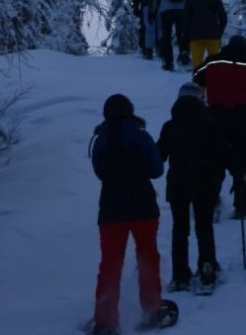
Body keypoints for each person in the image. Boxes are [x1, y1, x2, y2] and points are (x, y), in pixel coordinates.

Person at [88, 93, 177, 334]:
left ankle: (105, 320)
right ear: (130, 111)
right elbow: (157, 170)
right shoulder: (141, 137)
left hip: (111, 207)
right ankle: (151, 309)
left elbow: (99, 171)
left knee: (110, 263)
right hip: (143, 206)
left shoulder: (100, 140)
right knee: (148, 257)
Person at [157, 83, 225, 291]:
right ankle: (207, 269)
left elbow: (159, 155)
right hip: (204, 184)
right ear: (199, 100)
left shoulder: (170, 126)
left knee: (180, 229)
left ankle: (180, 276)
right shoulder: (210, 124)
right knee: (204, 227)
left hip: (177, 184)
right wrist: (217, 183)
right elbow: (220, 157)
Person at [193, 34, 246, 216]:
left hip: (215, 116)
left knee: (214, 157)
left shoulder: (212, 62)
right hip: (242, 116)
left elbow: (197, 77)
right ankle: (242, 202)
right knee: (244, 157)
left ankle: (210, 201)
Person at [182, 0, 228, 73]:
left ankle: (199, 87)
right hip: (213, 36)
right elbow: (223, 17)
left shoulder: (190, 0)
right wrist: (219, 31)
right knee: (214, 65)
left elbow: (185, 19)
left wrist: (186, 33)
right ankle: (214, 86)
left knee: (198, 66)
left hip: (195, 36)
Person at [152, 0, 189, 71]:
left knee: (166, 35)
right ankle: (184, 54)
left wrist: (154, 10)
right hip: (181, 8)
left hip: (165, 9)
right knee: (181, 33)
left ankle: (168, 62)